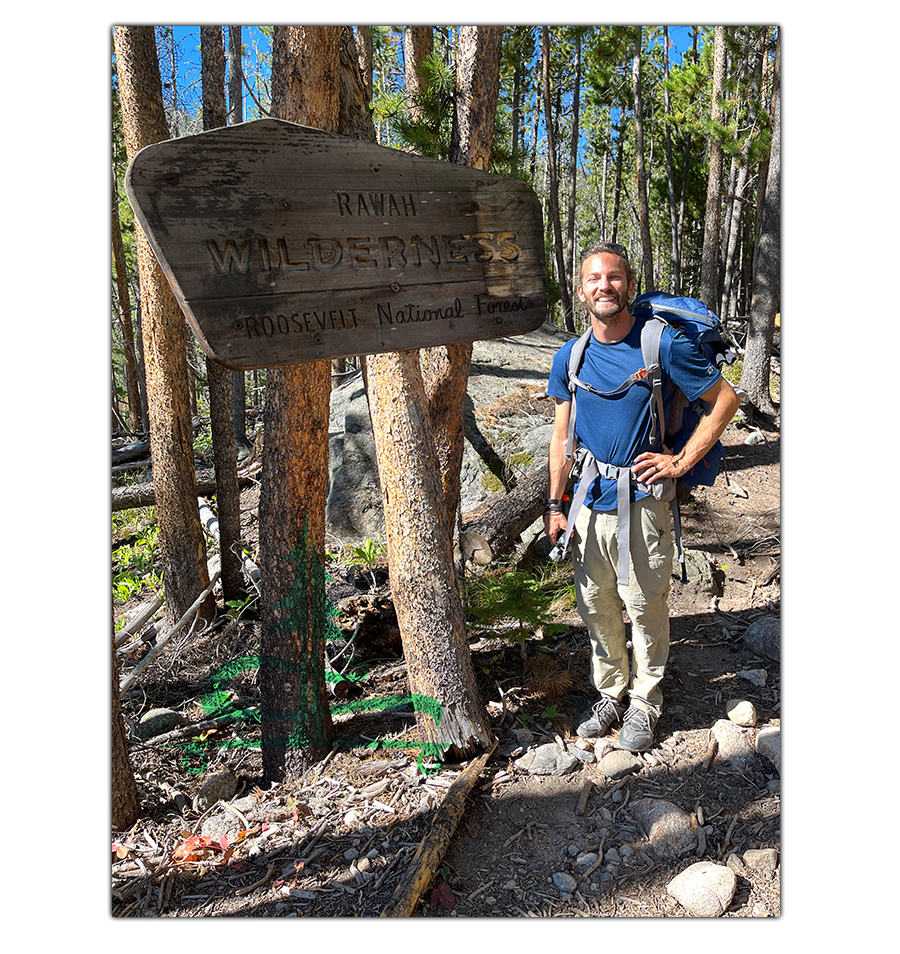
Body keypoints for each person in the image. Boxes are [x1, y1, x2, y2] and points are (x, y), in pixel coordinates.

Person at [544, 242, 740, 752]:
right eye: (593, 278)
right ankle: (611, 693)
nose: (603, 285)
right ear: (580, 288)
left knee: (645, 604)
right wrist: (555, 504)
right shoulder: (573, 354)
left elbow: (725, 400)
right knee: (595, 604)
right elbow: (562, 437)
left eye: (613, 277)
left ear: (628, 285)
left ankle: (646, 702)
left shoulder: (661, 346)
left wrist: (679, 462)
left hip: (645, 503)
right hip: (588, 503)